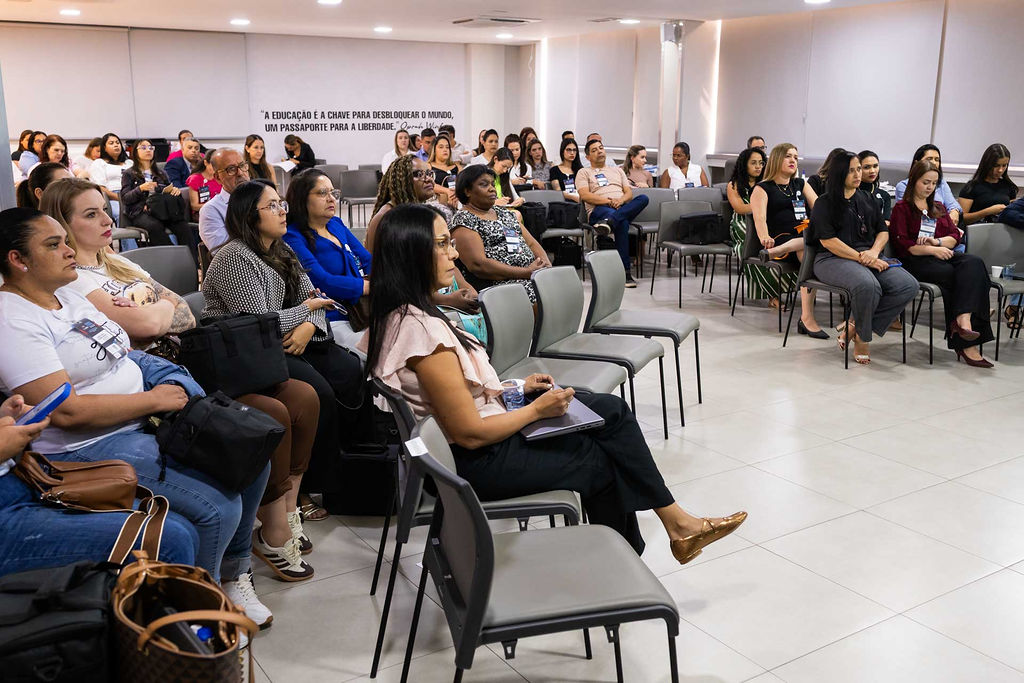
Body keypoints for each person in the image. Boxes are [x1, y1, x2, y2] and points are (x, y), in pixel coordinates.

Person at [360, 203, 747, 559]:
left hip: (476, 439)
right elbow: (470, 433)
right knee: (599, 461)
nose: (454, 254)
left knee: (609, 410)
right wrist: (535, 412)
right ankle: (627, 562)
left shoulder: (407, 314)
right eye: (443, 244)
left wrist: (516, 389)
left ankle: (675, 525)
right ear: (412, 252)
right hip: (472, 462)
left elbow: (456, 398)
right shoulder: (423, 335)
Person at [0, 206, 272, 624]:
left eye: (66, 241)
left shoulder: (68, 294)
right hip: (88, 444)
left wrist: (167, 382)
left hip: (141, 415)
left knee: (250, 453)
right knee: (217, 508)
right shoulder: (12, 318)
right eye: (53, 245)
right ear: (18, 260)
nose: (69, 251)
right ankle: (203, 613)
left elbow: (124, 351)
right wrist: (155, 401)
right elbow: (67, 412)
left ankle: (234, 574)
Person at [42, 177, 320, 578]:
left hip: (184, 359)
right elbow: (148, 323)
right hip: (162, 375)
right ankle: (264, 539)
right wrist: (154, 312)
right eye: (91, 214)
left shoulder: (120, 264)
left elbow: (184, 312)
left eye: (104, 209)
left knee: (305, 396)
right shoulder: (77, 282)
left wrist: (151, 315)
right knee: (268, 416)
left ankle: (287, 511)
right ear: (63, 225)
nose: (107, 219)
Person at [201, 180, 367, 517]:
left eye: (282, 204)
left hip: (289, 339)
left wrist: (309, 324)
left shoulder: (280, 248)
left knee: (350, 371)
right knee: (319, 391)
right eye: (272, 206)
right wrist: (306, 311)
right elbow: (258, 323)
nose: (282, 211)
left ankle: (347, 474)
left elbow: (316, 298)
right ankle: (305, 487)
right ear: (250, 215)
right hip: (249, 352)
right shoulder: (233, 257)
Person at [0, 392, 198, 577]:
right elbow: (70, 412)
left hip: (18, 480)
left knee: (181, 527)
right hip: (18, 487)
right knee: (171, 540)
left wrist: (4, 419)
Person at [807, 151, 918, 364]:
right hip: (831, 258)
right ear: (839, 173)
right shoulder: (824, 203)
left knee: (907, 285)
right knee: (868, 285)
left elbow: (883, 231)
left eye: (859, 169)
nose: (858, 174)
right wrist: (862, 257)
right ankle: (863, 339)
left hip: (868, 256)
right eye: (852, 170)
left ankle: (855, 326)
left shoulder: (868, 198)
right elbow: (828, 242)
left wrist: (874, 252)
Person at [889, 160, 995, 366]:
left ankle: (963, 320)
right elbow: (904, 245)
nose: (929, 187)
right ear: (914, 181)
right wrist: (932, 250)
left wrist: (936, 242)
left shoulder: (938, 207)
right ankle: (967, 344)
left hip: (941, 252)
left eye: (933, 183)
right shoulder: (902, 208)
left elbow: (955, 236)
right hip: (916, 260)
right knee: (958, 276)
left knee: (974, 264)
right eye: (925, 182)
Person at [284, 169, 371, 351]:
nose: (332, 199)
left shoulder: (335, 224)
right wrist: (368, 287)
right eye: (322, 193)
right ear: (302, 199)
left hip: (361, 311)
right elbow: (321, 281)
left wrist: (385, 280)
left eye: (333, 192)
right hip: (328, 317)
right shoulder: (292, 236)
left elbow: (366, 260)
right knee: (378, 353)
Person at [751, 143, 825, 337]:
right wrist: (764, 237)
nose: (793, 160)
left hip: (803, 238)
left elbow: (819, 208)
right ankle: (807, 318)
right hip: (779, 240)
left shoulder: (800, 184)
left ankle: (807, 318)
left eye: (795, 157)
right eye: (788, 156)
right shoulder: (762, 188)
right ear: (777, 159)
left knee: (808, 247)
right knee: (808, 249)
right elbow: (759, 218)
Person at [450, 164, 550, 299]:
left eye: (492, 184)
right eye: (484, 185)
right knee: (544, 295)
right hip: (500, 285)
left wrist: (546, 266)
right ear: (467, 191)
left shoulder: (504, 213)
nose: (492, 188)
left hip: (529, 275)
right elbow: (478, 265)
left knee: (561, 285)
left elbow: (531, 243)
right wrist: (526, 272)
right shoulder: (463, 220)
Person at [577, 139, 649, 288]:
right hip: (599, 210)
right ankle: (625, 273)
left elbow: (628, 193)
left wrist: (620, 201)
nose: (599, 151)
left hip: (620, 207)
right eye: (594, 150)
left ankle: (610, 222)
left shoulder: (617, 170)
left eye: (601, 148)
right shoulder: (583, 172)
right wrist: (609, 202)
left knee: (643, 198)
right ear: (588, 157)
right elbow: (585, 195)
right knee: (622, 222)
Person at [729, 147, 794, 306]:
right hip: (742, 223)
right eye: (753, 163)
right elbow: (740, 208)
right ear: (744, 164)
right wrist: (761, 204)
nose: (758, 166)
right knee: (753, 246)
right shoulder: (734, 184)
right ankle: (773, 295)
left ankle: (780, 285)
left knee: (776, 241)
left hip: (764, 220)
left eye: (761, 163)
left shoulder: (767, 183)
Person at [119, 139, 195, 253]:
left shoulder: (160, 173)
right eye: (143, 148)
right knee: (154, 226)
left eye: (151, 148)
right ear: (135, 152)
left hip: (161, 210)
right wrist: (140, 188)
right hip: (140, 212)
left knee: (183, 226)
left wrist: (173, 190)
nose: (148, 150)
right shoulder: (129, 173)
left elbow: (167, 190)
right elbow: (125, 198)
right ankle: (173, 257)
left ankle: (192, 260)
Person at [367, 154, 444, 252]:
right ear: (402, 180)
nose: (428, 179)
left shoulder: (419, 210)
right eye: (419, 174)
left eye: (429, 173)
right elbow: (372, 258)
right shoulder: (385, 216)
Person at [199, 148, 251, 254]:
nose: (240, 173)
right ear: (218, 178)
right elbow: (225, 254)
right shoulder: (211, 210)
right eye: (231, 169)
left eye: (242, 166)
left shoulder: (260, 198)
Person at [894, 145, 962, 225]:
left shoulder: (941, 183)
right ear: (917, 163)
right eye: (929, 159)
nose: (934, 162)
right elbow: (911, 213)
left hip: (942, 224)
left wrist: (954, 211)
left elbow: (952, 204)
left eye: (937, 160)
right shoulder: (903, 186)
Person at [960, 143, 1017, 225]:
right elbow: (962, 219)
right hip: (978, 230)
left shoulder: (1009, 186)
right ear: (987, 164)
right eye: (996, 165)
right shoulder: (971, 187)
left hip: (1002, 230)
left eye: (1004, 165)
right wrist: (987, 212)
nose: (1000, 170)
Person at [88, 133, 132, 224]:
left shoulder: (129, 163)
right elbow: (100, 188)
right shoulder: (99, 163)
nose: (116, 145)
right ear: (104, 148)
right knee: (122, 214)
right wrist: (121, 198)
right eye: (111, 143)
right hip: (113, 198)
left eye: (117, 142)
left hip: (133, 194)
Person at [858, 150, 892, 221]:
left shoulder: (884, 196)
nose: (872, 171)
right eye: (867, 167)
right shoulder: (849, 194)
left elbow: (886, 222)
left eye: (875, 166)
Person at [428, 133, 460, 205]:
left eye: (447, 147)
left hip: (456, 203)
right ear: (434, 150)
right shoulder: (428, 166)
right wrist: (447, 191)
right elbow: (429, 184)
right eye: (441, 147)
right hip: (436, 204)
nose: (445, 150)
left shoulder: (457, 167)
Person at [186, 156, 222, 220]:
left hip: (220, 210)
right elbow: (194, 206)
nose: (216, 168)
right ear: (206, 163)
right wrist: (216, 206)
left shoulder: (220, 177)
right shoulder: (195, 179)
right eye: (213, 165)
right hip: (202, 213)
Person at [549, 137, 583, 201]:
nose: (572, 153)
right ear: (562, 151)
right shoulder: (554, 170)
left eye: (574, 150)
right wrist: (573, 197)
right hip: (563, 203)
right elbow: (558, 191)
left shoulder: (580, 170)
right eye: (568, 150)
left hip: (580, 202)